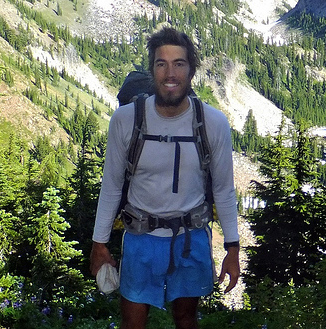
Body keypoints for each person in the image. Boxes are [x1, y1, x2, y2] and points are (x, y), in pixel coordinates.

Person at [90, 27, 240, 329]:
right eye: (162, 64)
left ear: (191, 70)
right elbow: (112, 185)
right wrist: (99, 245)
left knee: (186, 318)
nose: (170, 73)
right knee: (133, 323)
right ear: (152, 69)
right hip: (140, 238)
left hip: (191, 237)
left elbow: (224, 190)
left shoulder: (213, 122)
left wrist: (232, 250)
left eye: (179, 64)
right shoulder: (125, 120)